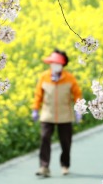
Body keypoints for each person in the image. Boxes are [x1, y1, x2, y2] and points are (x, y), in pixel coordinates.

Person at [31, 49, 82, 177]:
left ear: (62, 65)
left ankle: (65, 165)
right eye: (52, 63)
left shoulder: (69, 78)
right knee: (44, 138)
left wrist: (79, 110)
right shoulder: (44, 77)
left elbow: (77, 95)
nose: (53, 66)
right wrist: (35, 109)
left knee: (66, 142)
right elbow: (38, 94)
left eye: (56, 63)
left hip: (65, 115)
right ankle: (44, 167)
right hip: (47, 114)